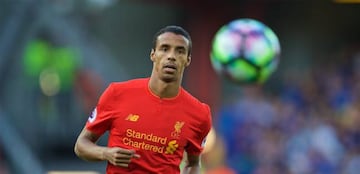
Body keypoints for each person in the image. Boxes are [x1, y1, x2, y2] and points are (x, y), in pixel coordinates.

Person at [74, 25, 212, 174]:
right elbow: (81, 145)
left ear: (188, 60)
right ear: (153, 54)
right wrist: (106, 153)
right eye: (165, 49)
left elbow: (193, 163)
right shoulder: (117, 94)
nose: (171, 56)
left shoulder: (200, 114)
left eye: (180, 51)